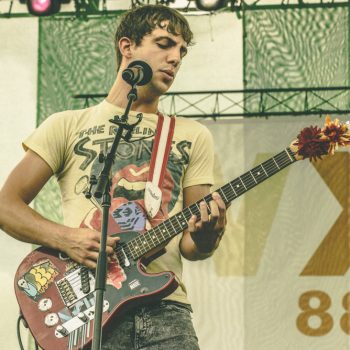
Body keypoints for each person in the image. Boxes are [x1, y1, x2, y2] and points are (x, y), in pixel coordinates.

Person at [0, 4, 227, 349]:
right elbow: (6, 206)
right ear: (127, 47)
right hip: (88, 310)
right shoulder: (66, 124)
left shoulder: (193, 135)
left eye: (181, 51)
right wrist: (66, 239)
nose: (175, 58)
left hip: (166, 311)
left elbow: (191, 247)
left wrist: (208, 236)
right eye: (164, 44)